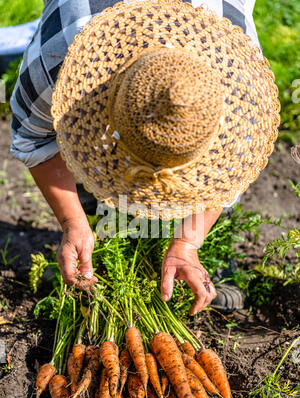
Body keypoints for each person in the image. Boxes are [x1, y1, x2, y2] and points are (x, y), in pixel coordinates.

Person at [9, 0, 279, 315]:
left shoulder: (240, 81)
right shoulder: (59, 62)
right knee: (87, 168)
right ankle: (95, 202)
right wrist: (73, 223)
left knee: (209, 190)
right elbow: (32, 137)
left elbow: (235, 167)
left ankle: (212, 240)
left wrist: (187, 243)